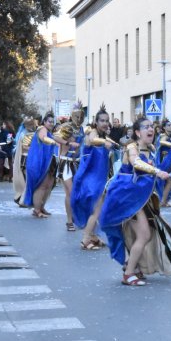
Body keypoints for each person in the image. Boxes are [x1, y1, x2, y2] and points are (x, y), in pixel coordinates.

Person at [99, 117, 171, 286]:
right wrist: (156, 171)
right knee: (144, 235)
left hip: (140, 199)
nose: (151, 129)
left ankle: (132, 266)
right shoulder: (131, 147)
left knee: (144, 234)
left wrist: (163, 172)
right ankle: (128, 273)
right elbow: (136, 162)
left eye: (152, 127)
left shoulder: (151, 148)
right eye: (146, 127)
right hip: (127, 198)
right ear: (137, 132)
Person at [71, 104, 115, 250]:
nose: (105, 123)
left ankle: (93, 236)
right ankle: (85, 239)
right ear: (96, 122)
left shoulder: (104, 136)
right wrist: (106, 142)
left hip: (99, 180)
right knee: (96, 211)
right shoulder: (92, 133)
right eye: (102, 120)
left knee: (98, 210)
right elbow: (93, 140)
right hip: (91, 181)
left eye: (107, 120)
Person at [22, 113, 59, 217]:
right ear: (44, 122)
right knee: (42, 186)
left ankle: (41, 207)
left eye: (53, 122)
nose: (51, 123)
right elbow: (43, 138)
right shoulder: (42, 129)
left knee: (48, 186)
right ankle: (37, 210)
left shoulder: (49, 131)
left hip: (48, 162)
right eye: (49, 121)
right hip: (40, 163)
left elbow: (57, 139)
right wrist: (51, 141)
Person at [54, 104, 84, 231]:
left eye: (81, 116)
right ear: (72, 116)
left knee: (78, 192)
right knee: (70, 193)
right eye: (76, 116)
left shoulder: (82, 129)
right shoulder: (66, 126)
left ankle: (76, 216)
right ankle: (69, 221)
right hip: (66, 162)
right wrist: (68, 142)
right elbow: (54, 136)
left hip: (78, 162)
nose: (79, 118)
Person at [14, 117, 38, 206]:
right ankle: (24, 199)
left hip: (26, 158)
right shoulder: (27, 134)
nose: (31, 126)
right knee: (27, 180)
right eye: (30, 124)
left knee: (27, 179)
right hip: (27, 158)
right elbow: (25, 147)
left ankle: (24, 198)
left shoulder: (24, 134)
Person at [155, 119, 171, 207]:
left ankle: (163, 200)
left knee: (167, 181)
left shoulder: (169, 136)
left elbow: (168, 150)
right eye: (168, 125)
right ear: (164, 127)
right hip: (164, 162)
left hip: (168, 161)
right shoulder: (164, 136)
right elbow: (161, 142)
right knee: (168, 180)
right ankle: (162, 201)